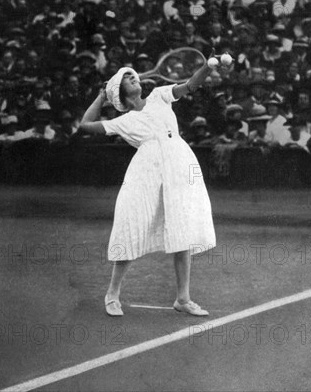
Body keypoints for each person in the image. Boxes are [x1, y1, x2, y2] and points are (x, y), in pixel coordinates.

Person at [79, 59, 217, 317]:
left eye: (134, 75)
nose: (134, 78)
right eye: (128, 77)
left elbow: (191, 85)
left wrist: (208, 67)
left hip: (179, 164)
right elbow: (85, 125)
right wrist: (100, 97)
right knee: (131, 225)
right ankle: (112, 293)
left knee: (182, 227)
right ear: (119, 91)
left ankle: (183, 298)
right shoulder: (124, 121)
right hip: (146, 172)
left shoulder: (159, 95)